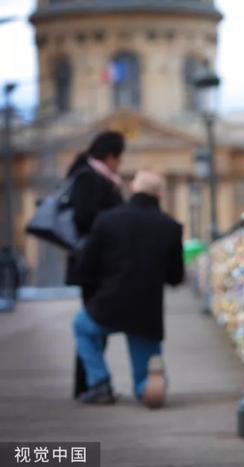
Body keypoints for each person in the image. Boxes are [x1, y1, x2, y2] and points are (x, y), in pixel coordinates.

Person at [73, 171, 184, 408]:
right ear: (160, 195)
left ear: (133, 189)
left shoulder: (107, 219)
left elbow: (86, 265)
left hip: (109, 302)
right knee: (144, 370)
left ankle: (100, 382)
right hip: (147, 309)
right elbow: (176, 277)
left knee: (82, 327)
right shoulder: (171, 226)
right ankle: (147, 387)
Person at [66, 131, 125, 398]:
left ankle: (92, 384)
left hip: (98, 264)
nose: (119, 165)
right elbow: (84, 217)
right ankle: (89, 385)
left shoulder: (95, 176)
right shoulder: (89, 178)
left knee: (93, 325)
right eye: (119, 158)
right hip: (92, 266)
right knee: (91, 325)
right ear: (111, 156)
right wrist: (116, 220)